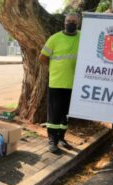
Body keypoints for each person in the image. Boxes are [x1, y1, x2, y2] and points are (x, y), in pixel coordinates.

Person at [39, 13, 81, 154]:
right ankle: (52, 141)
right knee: (54, 114)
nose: (71, 23)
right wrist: (54, 68)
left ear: (78, 23)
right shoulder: (55, 38)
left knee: (66, 115)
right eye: (68, 21)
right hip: (57, 82)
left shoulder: (83, 37)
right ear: (64, 22)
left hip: (75, 84)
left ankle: (61, 138)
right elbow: (43, 57)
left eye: (74, 21)